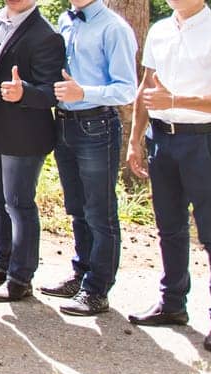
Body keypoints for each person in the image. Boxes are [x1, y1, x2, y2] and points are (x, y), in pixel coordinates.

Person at [125, 0, 211, 354]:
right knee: (169, 228)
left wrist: (178, 99)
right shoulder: (160, 30)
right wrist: (135, 139)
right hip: (161, 140)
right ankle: (173, 304)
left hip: (204, 141)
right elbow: (146, 89)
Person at [0, 0, 64, 302]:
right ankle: (1, 264)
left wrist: (25, 93)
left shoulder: (47, 36)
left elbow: (52, 91)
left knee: (19, 204)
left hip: (24, 135)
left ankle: (20, 277)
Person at [43, 0, 139, 316]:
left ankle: (97, 289)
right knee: (77, 208)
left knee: (100, 211)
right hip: (65, 124)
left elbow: (126, 90)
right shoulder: (65, 20)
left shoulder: (114, 28)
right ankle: (81, 273)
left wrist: (84, 93)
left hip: (96, 124)